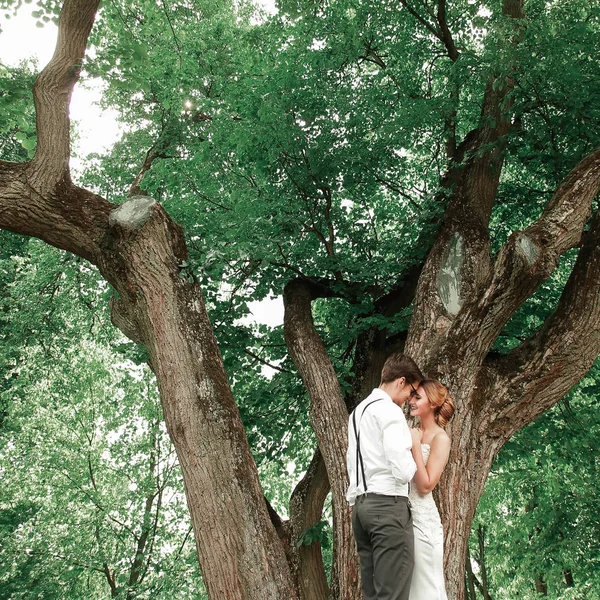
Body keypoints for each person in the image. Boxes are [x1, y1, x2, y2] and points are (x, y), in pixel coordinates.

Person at [347, 352, 424, 600]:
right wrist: (414, 455)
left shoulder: (357, 412)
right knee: (392, 593)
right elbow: (402, 471)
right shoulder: (389, 411)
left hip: (361, 510)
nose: (408, 399)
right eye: (411, 391)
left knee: (372, 595)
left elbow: (352, 460)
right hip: (387, 509)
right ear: (401, 381)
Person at [407, 379, 455, 600]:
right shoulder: (411, 432)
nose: (411, 400)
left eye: (418, 397)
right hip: (403, 519)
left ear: (433, 403)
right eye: (412, 396)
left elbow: (426, 486)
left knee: (427, 589)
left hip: (423, 522)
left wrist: (415, 445)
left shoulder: (441, 438)